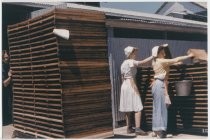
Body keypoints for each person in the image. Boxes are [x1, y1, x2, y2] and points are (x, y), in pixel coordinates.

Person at [151, 44, 194, 138]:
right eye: (161, 51)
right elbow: (176, 59)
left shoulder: (155, 61)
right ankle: (161, 132)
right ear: (157, 53)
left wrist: (175, 64)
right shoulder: (161, 61)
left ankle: (155, 130)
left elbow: (169, 63)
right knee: (162, 108)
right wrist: (189, 56)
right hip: (160, 84)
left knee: (157, 108)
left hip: (156, 85)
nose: (163, 52)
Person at [119, 46, 153, 136]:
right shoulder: (130, 61)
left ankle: (129, 128)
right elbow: (142, 62)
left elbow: (122, 77)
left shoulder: (123, 63)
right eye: (134, 53)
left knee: (128, 107)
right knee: (138, 106)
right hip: (131, 84)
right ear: (130, 54)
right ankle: (137, 128)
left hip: (124, 85)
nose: (135, 54)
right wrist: (153, 56)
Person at [2, 50, 13, 126]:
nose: (7, 59)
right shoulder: (2, 67)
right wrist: (10, 76)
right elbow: (4, 84)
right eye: (5, 58)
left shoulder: (8, 65)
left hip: (8, 92)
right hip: (3, 93)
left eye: (8, 57)